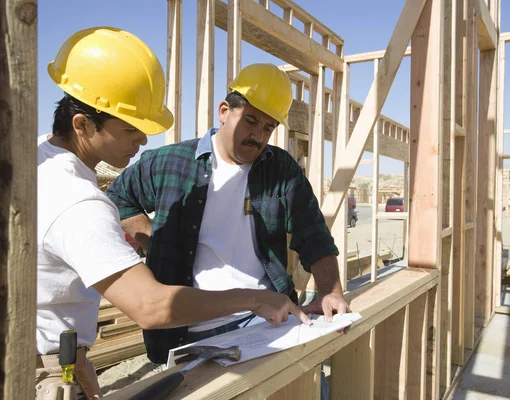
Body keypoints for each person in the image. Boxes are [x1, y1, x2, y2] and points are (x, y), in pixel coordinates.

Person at [37, 27, 313, 400]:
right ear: (82, 124)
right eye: (131, 128)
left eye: (268, 126)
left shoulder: (37, 160)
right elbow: (151, 306)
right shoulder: (81, 202)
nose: (143, 140)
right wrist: (254, 298)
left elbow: (312, 231)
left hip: (57, 357)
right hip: (49, 369)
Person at [105, 62, 350, 365]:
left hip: (266, 318)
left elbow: (313, 233)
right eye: (251, 121)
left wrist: (329, 290)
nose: (258, 136)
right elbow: (117, 197)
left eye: (268, 127)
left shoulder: (280, 168)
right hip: (191, 330)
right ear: (224, 111)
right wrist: (154, 240)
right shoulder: (170, 162)